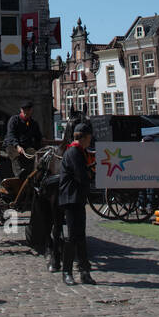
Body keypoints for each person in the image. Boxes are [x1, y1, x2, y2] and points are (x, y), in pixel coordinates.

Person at [58, 122, 95, 285]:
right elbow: (81, 175)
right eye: (89, 138)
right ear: (85, 138)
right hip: (71, 198)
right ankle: (67, 271)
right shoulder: (74, 152)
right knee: (73, 237)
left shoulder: (79, 151)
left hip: (77, 198)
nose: (90, 141)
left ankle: (84, 271)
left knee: (80, 236)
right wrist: (91, 173)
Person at [5, 101, 43, 179]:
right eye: (24, 110)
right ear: (21, 110)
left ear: (31, 110)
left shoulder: (33, 123)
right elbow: (11, 135)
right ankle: (19, 175)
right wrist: (17, 146)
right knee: (15, 154)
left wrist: (38, 149)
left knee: (36, 155)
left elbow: (38, 137)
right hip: (11, 145)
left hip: (26, 146)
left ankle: (37, 174)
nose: (27, 112)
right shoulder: (14, 120)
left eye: (28, 110)